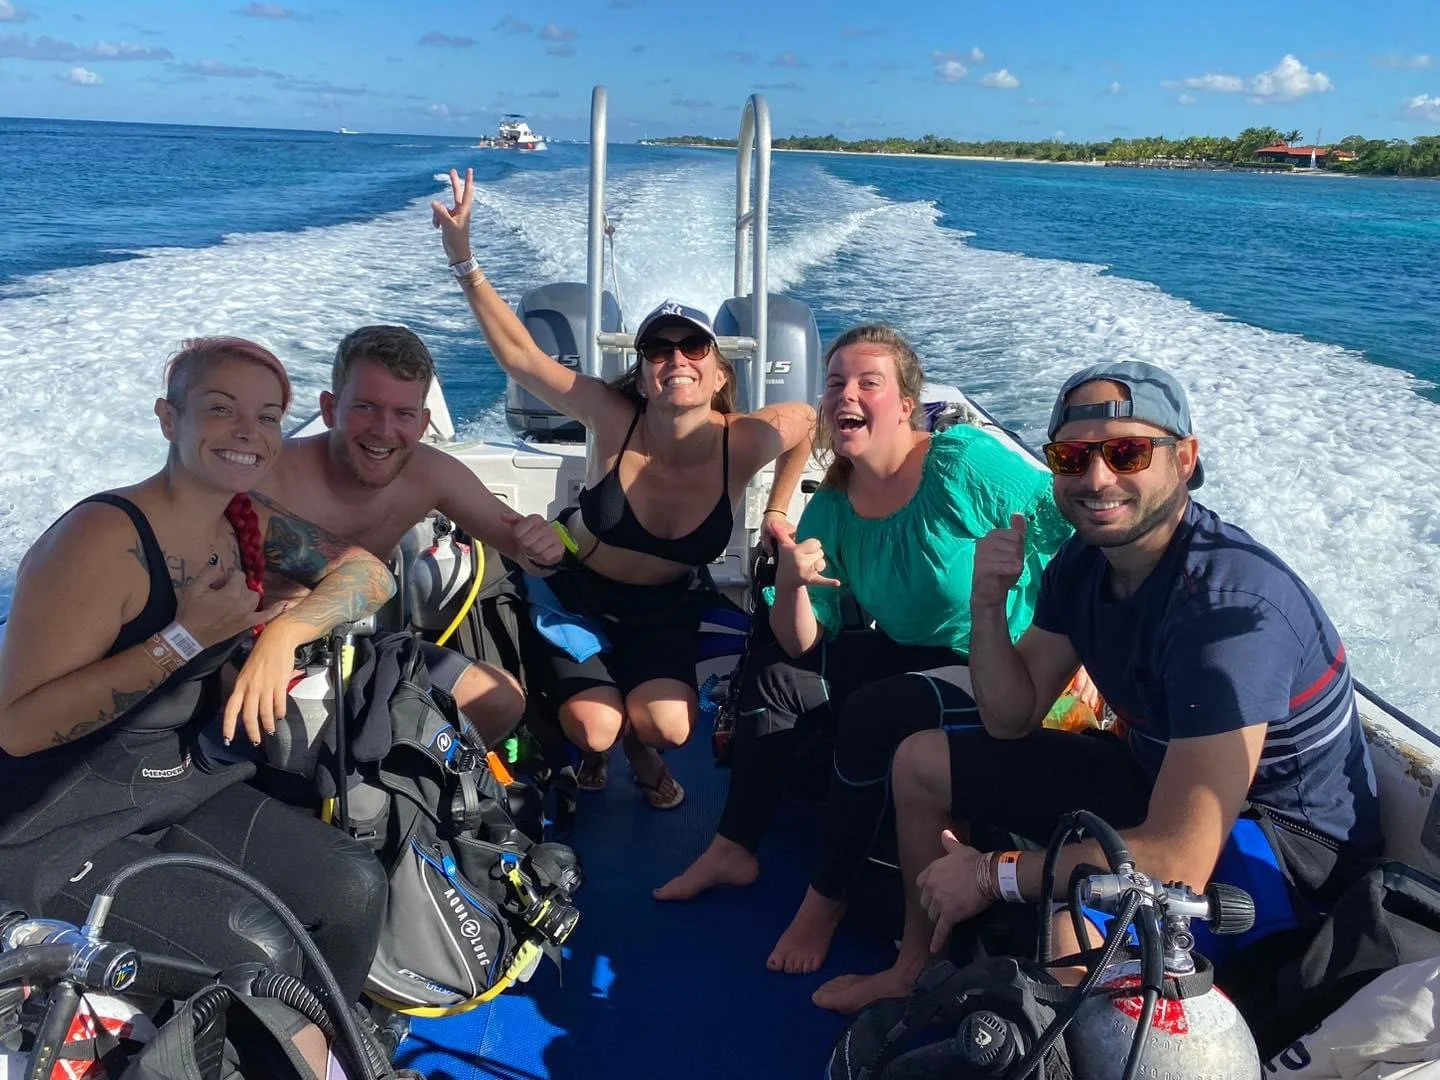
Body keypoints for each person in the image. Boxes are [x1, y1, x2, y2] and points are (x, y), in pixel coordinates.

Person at [813, 360, 1382, 1015]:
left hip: (1280, 848)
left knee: (1076, 920)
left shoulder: (1224, 612)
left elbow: (1177, 858)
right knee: (919, 762)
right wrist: (987, 605)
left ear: (1186, 460)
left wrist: (992, 873)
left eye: (1127, 453)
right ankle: (915, 968)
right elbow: (1011, 716)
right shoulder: (1086, 563)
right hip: (1153, 777)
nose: (1098, 477)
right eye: (1073, 456)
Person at [654, 325, 1074, 976]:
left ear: (906, 403)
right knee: (776, 672)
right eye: (835, 383)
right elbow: (804, 639)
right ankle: (733, 845)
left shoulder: (961, 464)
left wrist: (1082, 642)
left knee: (877, 711)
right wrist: (791, 583)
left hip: (1005, 668)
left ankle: (827, 900)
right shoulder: (837, 503)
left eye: (868, 382)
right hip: (919, 657)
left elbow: (1067, 521)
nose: (846, 394)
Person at [0, 337, 399, 1003]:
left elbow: (369, 574)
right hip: (52, 821)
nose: (250, 432)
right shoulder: (101, 539)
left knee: (353, 885)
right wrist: (181, 640)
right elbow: (16, 729)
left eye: (269, 416)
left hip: (174, 780)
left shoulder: (244, 519)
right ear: (168, 418)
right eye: (222, 409)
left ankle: (339, 1052)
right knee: (256, 949)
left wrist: (284, 635)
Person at [431, 167, 816, 809]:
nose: (676, 358)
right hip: (574, 593)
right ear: (640, 373)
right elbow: (523, 359)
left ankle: (636, 748)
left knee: (667, 725)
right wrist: (464, 259)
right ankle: (597, 744)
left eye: (693, 347)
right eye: (657, 350)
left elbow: (807, 422)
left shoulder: (745, 439)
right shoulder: (613, 417)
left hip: (664, 609)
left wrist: (778, 509)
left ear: (721, 373)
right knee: (596, 727)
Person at [253, 323, 568, 748]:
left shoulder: (432, 474)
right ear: (329, 409)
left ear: (423, 422)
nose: (383, 430)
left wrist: (544, 545)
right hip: (257, 648)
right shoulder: (268, 476)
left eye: (403, 414)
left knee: (500, 701)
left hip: (362, 645)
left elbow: (524, 547)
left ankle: (429, 790)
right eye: (365, 407)